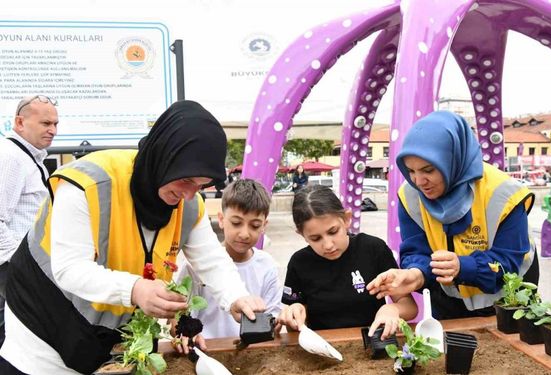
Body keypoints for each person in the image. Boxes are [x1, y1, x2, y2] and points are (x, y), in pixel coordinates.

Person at [0, 101, 266, 375]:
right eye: (186, 180)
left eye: (201, 185)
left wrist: (237, 297)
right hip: (42, 330)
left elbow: (211, 260)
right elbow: (70, 269)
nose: (189, 195)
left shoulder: (188, 205)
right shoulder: (88, 183)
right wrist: (136, 290)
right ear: (163, 160)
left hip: (104, 341)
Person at [367, 111, 539, 320]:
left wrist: (463, 267)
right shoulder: (409, 194)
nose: (419, 181)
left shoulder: (503, 192)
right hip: (448, 301)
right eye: (411, 171)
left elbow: (509, 261)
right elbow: (416, 250)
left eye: (428, 170)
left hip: (509, 303)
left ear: (452, 159)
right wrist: (415, 274)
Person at [278, 185, 417, 340]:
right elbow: (293, 329)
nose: (328, 245)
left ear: (346, 219)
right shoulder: (299, 263)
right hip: (322, 348)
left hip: (375, 340)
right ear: (302, 234)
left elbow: (410, 307)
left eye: (333, 232)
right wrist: (293, 314)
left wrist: (393, 309)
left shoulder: (373, 249)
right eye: (315, 238)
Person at [173, 178, 282, 339]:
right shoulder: (195, 265)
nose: (244, 233)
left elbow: (274, 320)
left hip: (253, 352)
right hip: (205, 351)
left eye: (255, 225)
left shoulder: (267, 265)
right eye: (236, 223)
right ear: (222, 220)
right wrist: (187, 335)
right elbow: (178, 320)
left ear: (264, 226)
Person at [0, 95, 58, 346]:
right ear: (20, 122)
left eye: (56, 124)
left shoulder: (28, 157)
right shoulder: (10, 158)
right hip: (12, 272)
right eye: (46, 123)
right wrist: (17, 264)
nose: (53, 130)